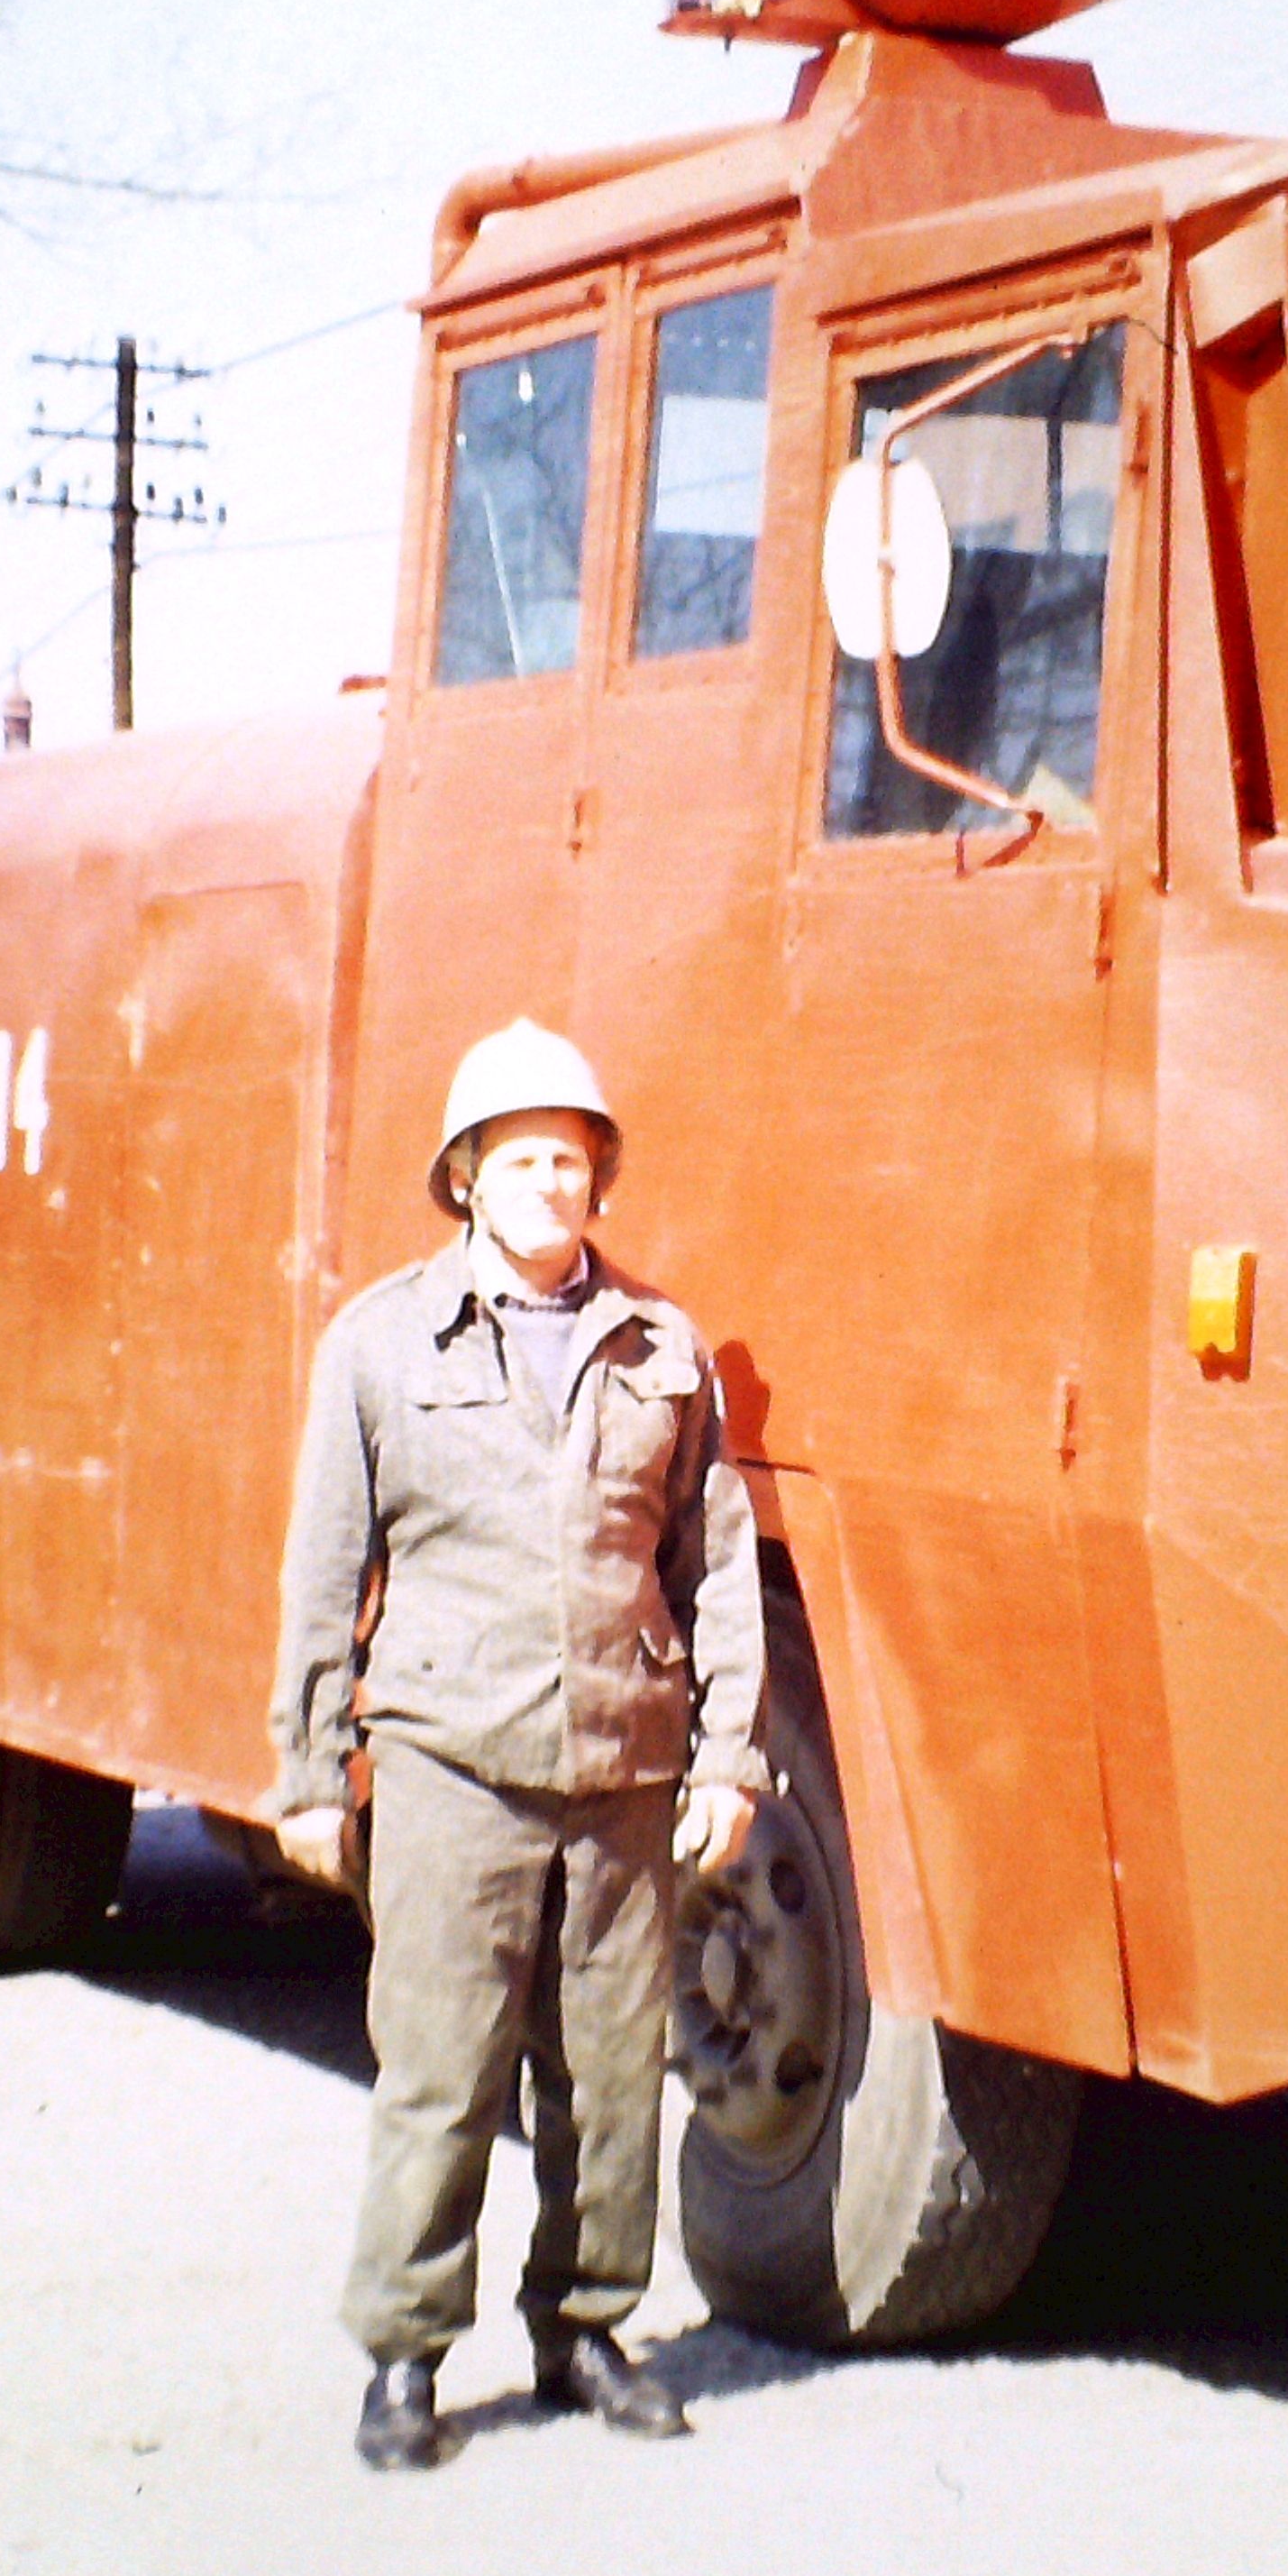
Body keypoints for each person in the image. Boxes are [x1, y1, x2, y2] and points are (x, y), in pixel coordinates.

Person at [268, 1022, 764, 2472]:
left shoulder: (661, 1347)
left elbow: (714, 1567)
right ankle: (406, 2357)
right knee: (442, 2072)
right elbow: (326, 1568)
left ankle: (587, 2331)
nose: (552, 1182)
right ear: (466, 1178)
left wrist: (728, 1757)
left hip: (621, 1769)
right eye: (523, 1158)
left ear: (598, 1180)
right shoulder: (379, 1343)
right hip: (452, 1763)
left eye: (572, 1159)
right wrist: (310, 1771)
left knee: (609, 2077)